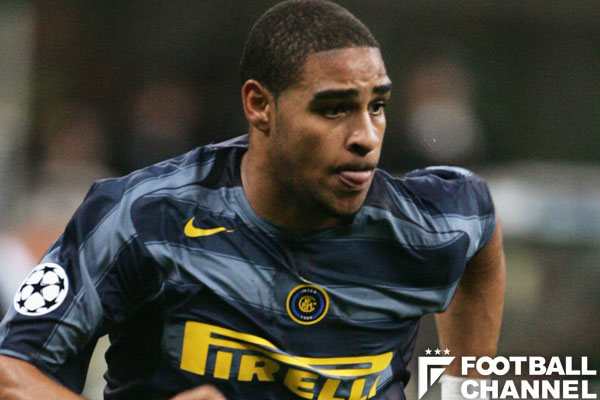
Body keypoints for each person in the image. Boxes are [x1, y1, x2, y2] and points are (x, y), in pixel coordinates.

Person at [0, 1, 505, 399]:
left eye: (377, 106)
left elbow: (480, 229)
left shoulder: (426, 221)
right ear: (260, 105)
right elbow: (11, 372)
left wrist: (466, 390)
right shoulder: (143, 218)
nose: (365, 136)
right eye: (334, 110)